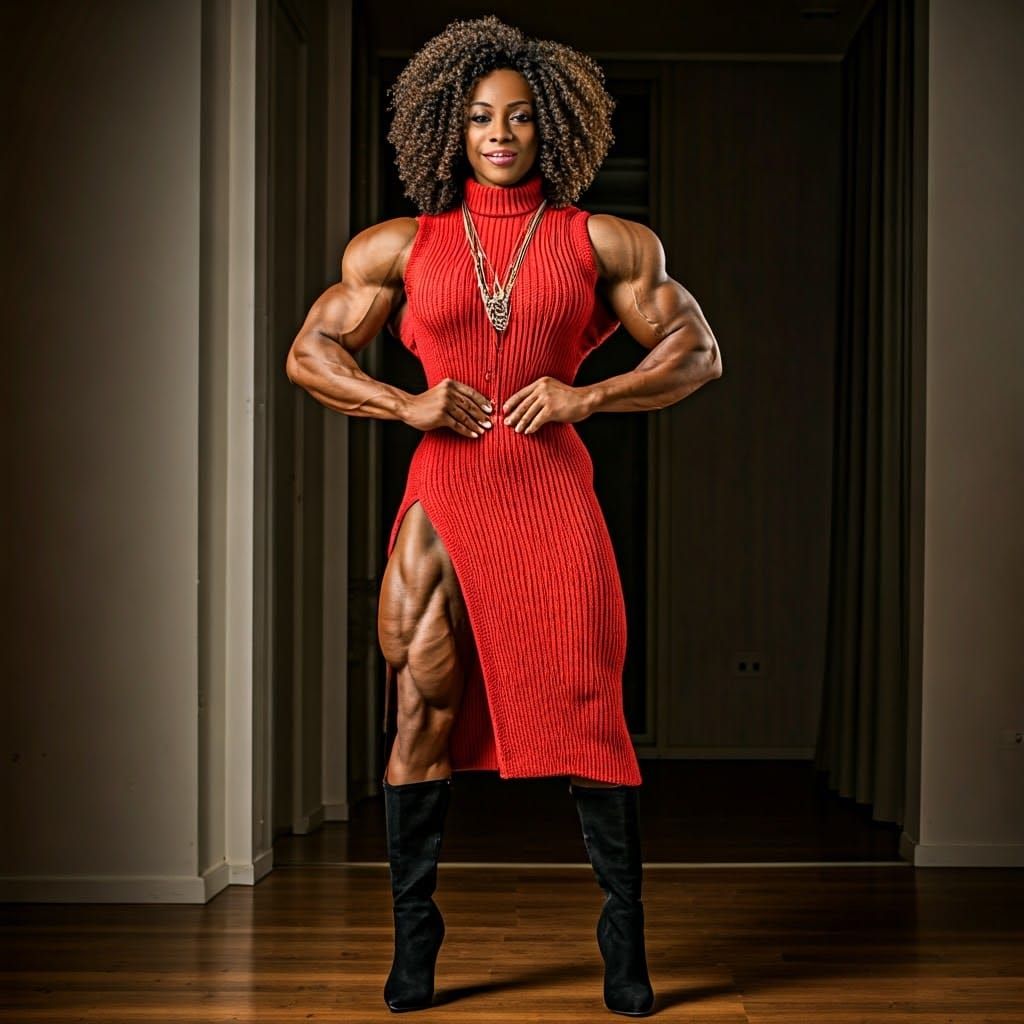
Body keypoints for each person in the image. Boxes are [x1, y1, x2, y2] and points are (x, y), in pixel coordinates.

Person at [286, 15, 722, 1016]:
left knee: (592, 713)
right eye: (481, 116)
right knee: (420, 708)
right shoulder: (400, 246)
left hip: (551, 491)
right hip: (445, 494)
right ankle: (415, 946)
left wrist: (587, 395)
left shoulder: (603, 241)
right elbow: (309, 353)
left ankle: (622, 946)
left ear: (548, 128)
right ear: (452, 126)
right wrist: (404, 403)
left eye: (519, 117)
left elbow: (697, 351)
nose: (499, 133)